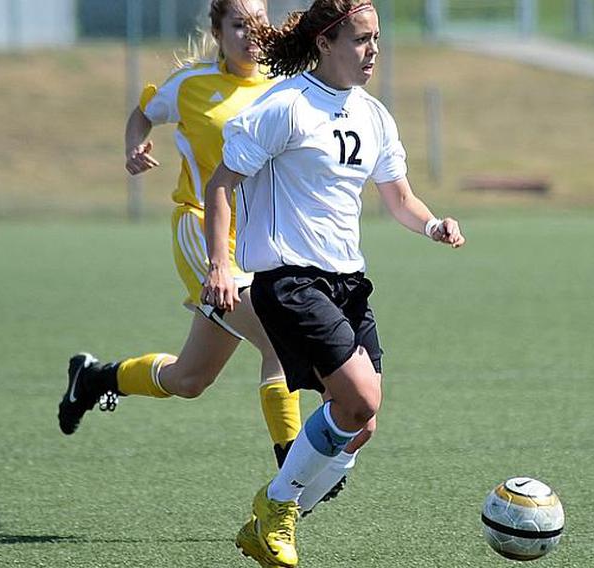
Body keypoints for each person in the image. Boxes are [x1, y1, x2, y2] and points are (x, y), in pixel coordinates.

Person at [55, 0, 349, 514]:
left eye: (257, 24)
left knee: (189, 379)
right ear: (217, 30)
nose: (249, 35)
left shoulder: (282, 88)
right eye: (238, 24)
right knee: (279, 340)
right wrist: (133, 147)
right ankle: (291, 463)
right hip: (199, 229)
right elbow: (143, 114)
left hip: (257, 242)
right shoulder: (190, 85)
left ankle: (96, 378)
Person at [201, 1, 465, 565]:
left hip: (348, 282)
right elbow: (221, 185)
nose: (373, 51)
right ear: (325, 43)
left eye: (377, 39)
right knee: (359, 397)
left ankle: (271, 515)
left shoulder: (373, 115)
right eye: (361, 39)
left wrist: (433, 224)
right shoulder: (286, 106)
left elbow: (399, 198)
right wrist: (220, 265)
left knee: (361, 423)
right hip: (288, 278)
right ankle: (277, 511)